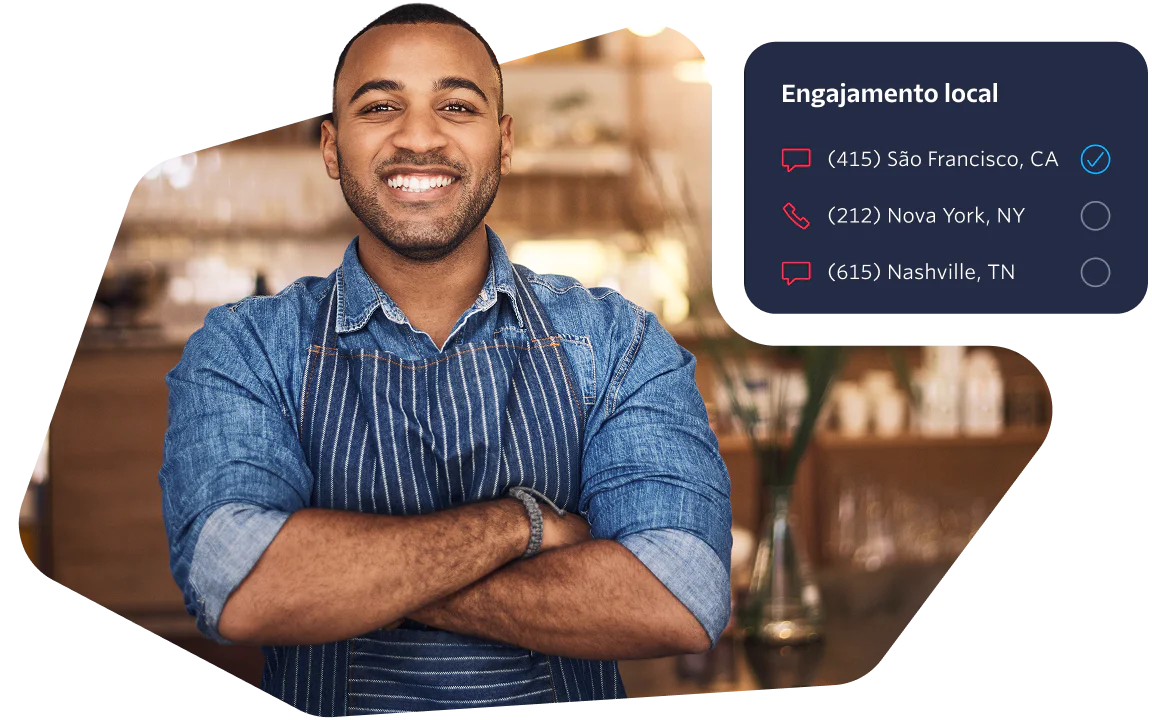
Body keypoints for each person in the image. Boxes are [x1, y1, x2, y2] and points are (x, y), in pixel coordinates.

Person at [159, 3, 730, 716]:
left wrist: (352, 582)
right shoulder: (246, 349)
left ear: (503, 140)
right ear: (332, 147)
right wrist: (520, 527)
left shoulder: (618, 344)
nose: (419, 136)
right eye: (380, 106)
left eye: (456, 105)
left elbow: (681, 595)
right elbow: (240, 587)